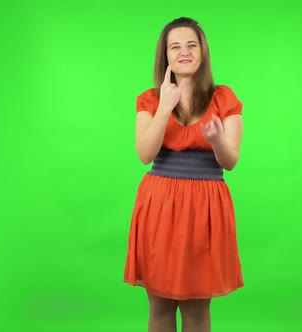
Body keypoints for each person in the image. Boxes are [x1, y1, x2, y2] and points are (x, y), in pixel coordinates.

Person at [123, 17, 244, 332]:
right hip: (160, 204)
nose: (184, 52)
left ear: (203, 52)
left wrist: (217, 141)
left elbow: (230, 161)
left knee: (197, 307)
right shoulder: (149, 100)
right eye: (175, 46)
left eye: (192, 45)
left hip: (205, 207)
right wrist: (165, 107)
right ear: (165, 55)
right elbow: (145, 154)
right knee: (159, 304)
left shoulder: (224, 98)